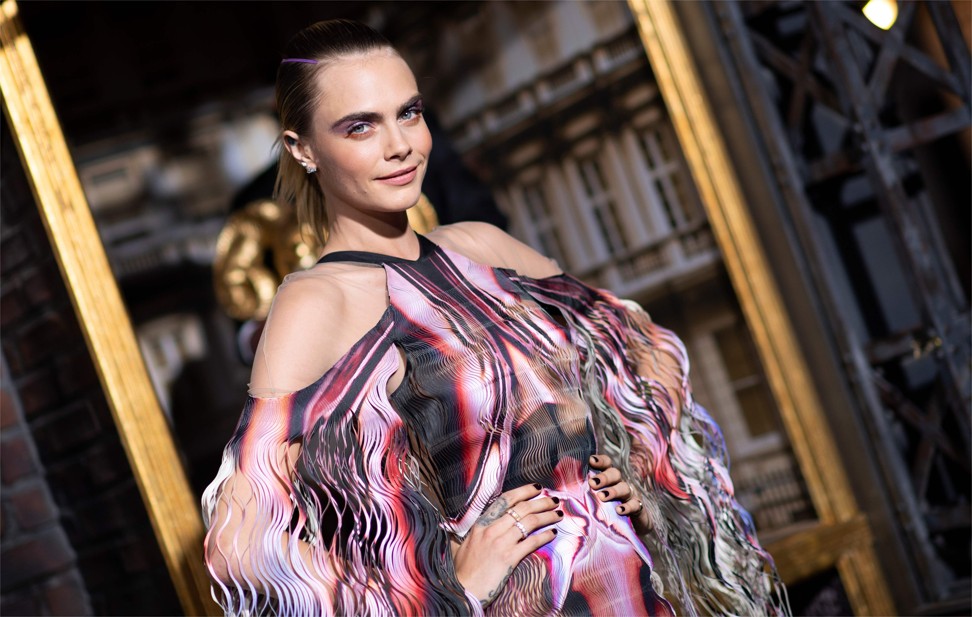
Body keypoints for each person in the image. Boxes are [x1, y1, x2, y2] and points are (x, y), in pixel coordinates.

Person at [202, 19, 786, 616]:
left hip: (634, 583)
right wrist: (443, 589)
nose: (400, 144)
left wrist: (634, 471)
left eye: (409, 113)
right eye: (360, 127)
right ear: (303, 149)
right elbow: (242, 544)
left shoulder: (483, 248)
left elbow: (638, 356)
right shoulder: (318, 300)